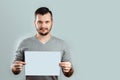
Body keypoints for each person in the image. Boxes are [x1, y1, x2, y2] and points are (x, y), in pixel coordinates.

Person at [11, 7, 74, 80]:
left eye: (47, 22)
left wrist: (68, 69)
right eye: (40, 22)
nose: (43, 26)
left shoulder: (62, 44)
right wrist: (15, 68)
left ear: (52, 22)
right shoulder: (24, 43)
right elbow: (14, 69)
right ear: (35, 22)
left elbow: (69, 74)